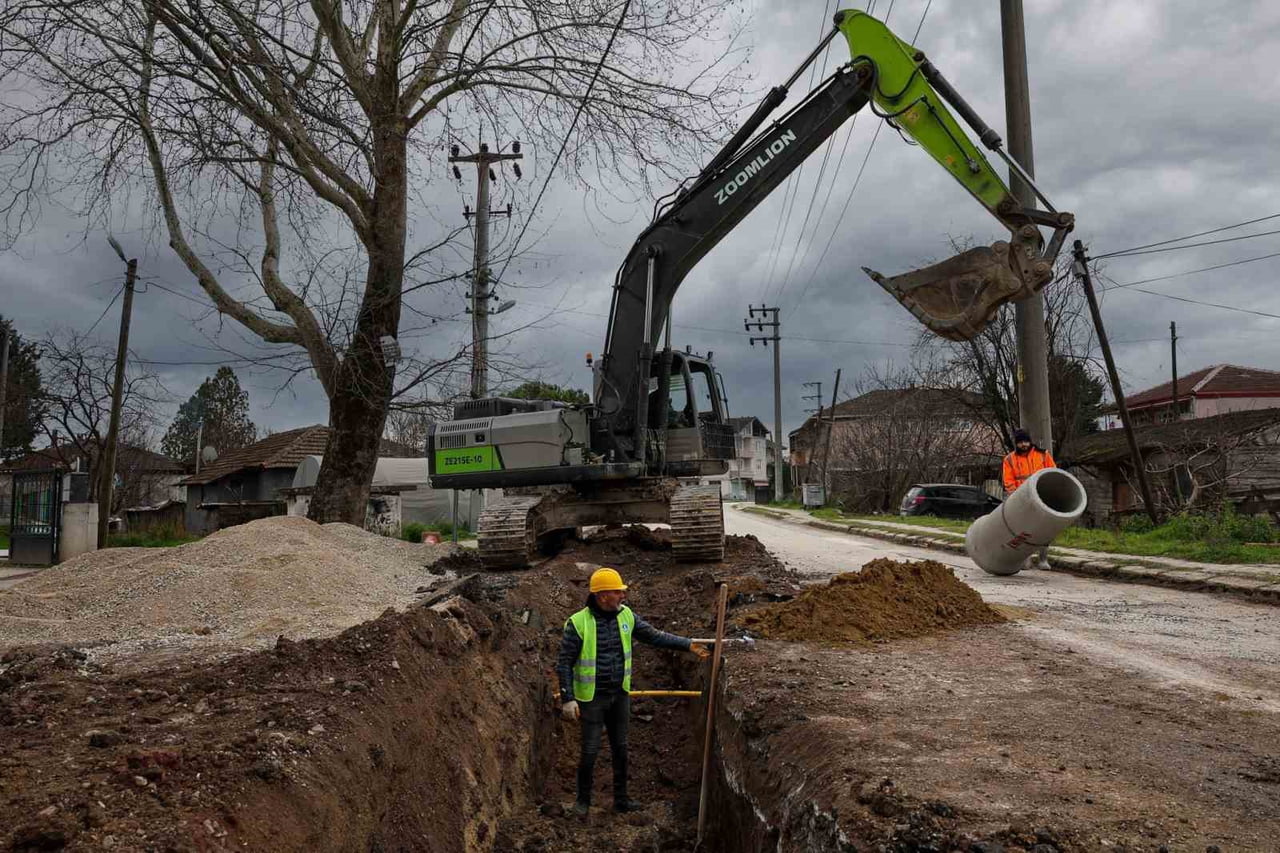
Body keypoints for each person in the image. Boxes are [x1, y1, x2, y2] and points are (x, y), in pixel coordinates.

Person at [556, 566, 709, 817]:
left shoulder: (627, 616)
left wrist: (689, 645)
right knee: (590, 751)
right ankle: (582, 802)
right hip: (592, 699)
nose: (622, 596)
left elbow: (655, 636)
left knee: (621, 748)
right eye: (618, 592)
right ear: (602, 595)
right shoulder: (577, 623)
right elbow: (564, 663)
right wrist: (567, 699)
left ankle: (621, 800)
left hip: (620, 695)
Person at [1002, 428, 1057, 569]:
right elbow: (1008, 481)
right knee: (1024, 531)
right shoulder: (1009, 459)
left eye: (1026, 441)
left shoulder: (1043, 455)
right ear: (1016, 444)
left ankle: (1043, 559)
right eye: (1021, 442)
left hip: (1042, 497)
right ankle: (1025, 559)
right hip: (1023, 499)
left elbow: (1052, 473)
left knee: (1045, 528)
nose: (1024, 445)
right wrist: (1015, 497)